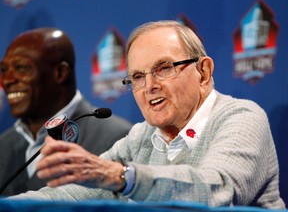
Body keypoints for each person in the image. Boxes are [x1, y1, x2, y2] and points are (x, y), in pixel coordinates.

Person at [9, 20, 285, 209]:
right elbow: (70, 195)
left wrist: (122, 176)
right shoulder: (142, 136)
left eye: (164, 68)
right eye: (138, 77)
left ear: (203, 72)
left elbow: (219, 189)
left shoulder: (241, 117)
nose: (149, 85)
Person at [0, 28, 132, 196]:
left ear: (60, 73)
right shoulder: (3, 145)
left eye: (21, 68)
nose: (8, 80)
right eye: (4, 70)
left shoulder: (117, 137)